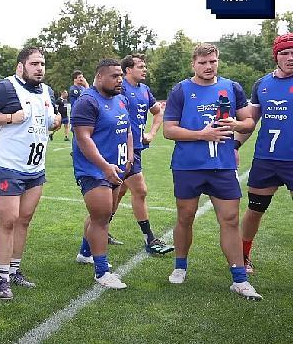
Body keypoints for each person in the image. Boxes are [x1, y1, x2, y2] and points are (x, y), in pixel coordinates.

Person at [163, 43, 261, 300]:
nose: (208, 67)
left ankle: (239, 279)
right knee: (185, 217)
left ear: (217, 61)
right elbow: (169, 130)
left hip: (222, 165)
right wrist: (201, 134)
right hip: (188, 166)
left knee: (230, 219)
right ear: (193, 64)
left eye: (212, 62)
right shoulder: (181, 90)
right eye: (203, 62)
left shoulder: (232, 87)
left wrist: (236, 124)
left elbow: (249, 121)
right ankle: (180, 266)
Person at [0, 47, 59, 300]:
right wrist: (10, 117)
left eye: (42, 64)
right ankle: (2, 278)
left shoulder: (47, 92)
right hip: (7, 166)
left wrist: (55, 123)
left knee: (24, 219)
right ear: (21, 66)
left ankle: (14, 270)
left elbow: (50, 122)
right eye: (34, 64)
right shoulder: (5, 87)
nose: (40, 68)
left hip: (35, 168)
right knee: (8, 220)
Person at [71, 59, 132, 289]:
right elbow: (83, 138)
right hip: (93, 169)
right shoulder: (87, 101)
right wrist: (105, 167)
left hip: (116, 167)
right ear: (99, 77)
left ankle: (85, 253)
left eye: (121, 76)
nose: (120, 80)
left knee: (106, 214)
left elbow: (127, 128)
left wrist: (130, 154)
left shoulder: (121, 98)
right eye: (114, 76)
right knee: (101, 217)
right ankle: (102, 271)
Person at [235, 33, 293, 274]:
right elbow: (251, 121)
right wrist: (235, 146)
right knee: (255, 210)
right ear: (276, 57)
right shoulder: (262, 85)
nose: (290, 57)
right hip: (266, 160)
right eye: (285, 53)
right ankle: (243, 255)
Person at [112, 54, 174, 254]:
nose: (145, 69)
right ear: (128, 70)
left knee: (118, 193)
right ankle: (150, 239)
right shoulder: (120, 88)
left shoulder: (145, 90)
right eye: (140, 66)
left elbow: (158, 112)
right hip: (121, 149)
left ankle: (94, 236)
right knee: (140, 190)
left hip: (137, 147)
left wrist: (152, 133)